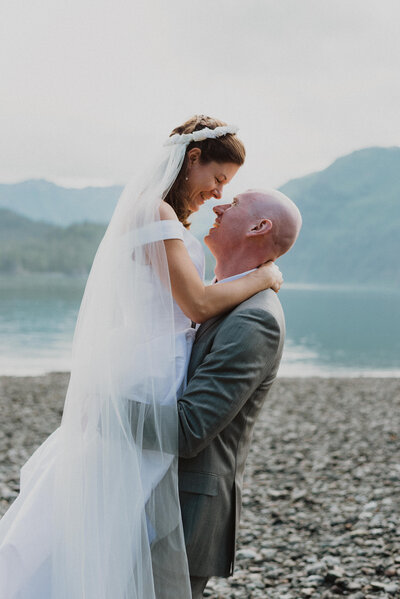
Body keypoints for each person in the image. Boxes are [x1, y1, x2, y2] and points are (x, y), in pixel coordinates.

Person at [0, 117, 282, 599]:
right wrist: (262, 278)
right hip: (150, 370)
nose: (216, 194)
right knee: (114, 514)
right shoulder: (154, 212)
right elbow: (194, 305)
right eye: (217, 179)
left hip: (156, 368)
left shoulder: (160, 216)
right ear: (193, 158)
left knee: (118, 519)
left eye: (227, 188)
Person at [175, 189, 302, 597]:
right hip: (159, 496)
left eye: (235, 203)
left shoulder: (255, 319)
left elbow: (188, 429)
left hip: (186, 510)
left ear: (258, 226)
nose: (218, 205)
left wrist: (105, 408)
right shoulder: (214, 296)